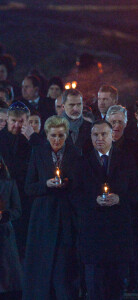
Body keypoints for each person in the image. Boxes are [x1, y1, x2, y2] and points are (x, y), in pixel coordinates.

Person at [78, 120, 138, 300]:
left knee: (116, 288)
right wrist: (94, 201)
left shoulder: (126, 159)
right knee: (94, 288)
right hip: (93, 235)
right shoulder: (83, 162)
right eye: (95, 135)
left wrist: (121, 199)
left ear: (112, 136)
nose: (99, 138)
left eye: (103, 134)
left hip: (118, 234)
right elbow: (76, 195)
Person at [23, 116, 80, 300]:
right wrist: (46, 184)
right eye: (53, 135)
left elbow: (80, 185)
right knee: (42, 266)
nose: (57, 140)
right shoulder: (38, 152)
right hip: (43, 218)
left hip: (66, 217)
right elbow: (29, 187)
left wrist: (68, 183)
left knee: (63, 268)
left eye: (61, 136)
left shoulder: (75, 153)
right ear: (46, 135)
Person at [0, 102, 32, 257]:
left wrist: (32, 137)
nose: (17, 125)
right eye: (13, 121)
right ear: (7, 120)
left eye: (21, 122)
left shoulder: (30, 141)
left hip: (23, 195)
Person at [0, 155, 22, 300]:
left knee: (7, 276)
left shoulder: (9, 184)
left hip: (4, 234)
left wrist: (4, 215)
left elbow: (17, 210)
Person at [62, 89, 93, 155]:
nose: (75, 109)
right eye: (71, 105)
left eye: (79, 104)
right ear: (63, 106)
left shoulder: (91, 128)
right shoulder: (53, 127)